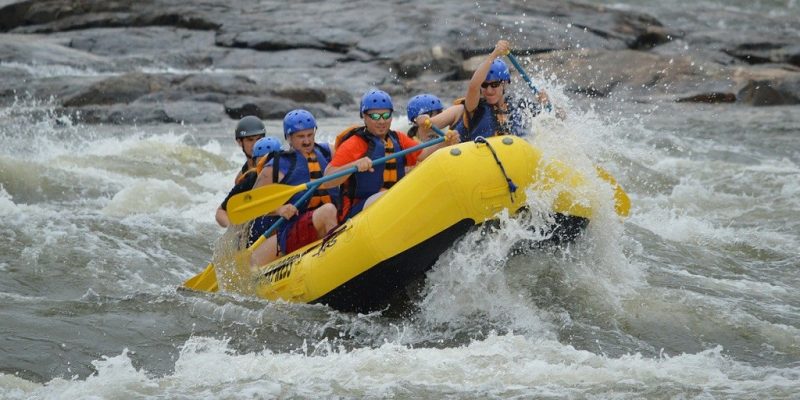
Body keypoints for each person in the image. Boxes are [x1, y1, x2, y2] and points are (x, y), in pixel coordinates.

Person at [324, 89, 458, 221]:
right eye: (375, 116)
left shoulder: (398, 138)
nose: (382, 121)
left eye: (386, 115)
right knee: (389, 196)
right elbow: (328, 180)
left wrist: (445, 143)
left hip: (393, 201)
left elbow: (424, 154)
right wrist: (354, 164)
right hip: (357, 210)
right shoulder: (354, 144)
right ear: (364, 117)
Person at [250, 109, 340, 266]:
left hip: (329, 219)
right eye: (300, 137)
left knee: (332, 210)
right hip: (294, 228)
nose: (307, 141)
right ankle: (336, 260)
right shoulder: (278, 166)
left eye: (310, 135)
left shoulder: (327, 152)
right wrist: (279, 209)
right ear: (289, 138)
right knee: (328, 211)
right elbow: (253, 203)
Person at [417, 40, 553, 142]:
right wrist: (494, 55)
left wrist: (547, 104)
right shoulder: (473, 107)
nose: (489, 90)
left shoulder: (519, 106)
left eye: (494, 84)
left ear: (504, 84)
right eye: (485, 85)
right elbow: (473, 87)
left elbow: (556, 119)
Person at [216, 135, 282, 230]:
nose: (269, 169)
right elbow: (221, 211)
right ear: (256, 164)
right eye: (264, 165)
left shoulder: (292, 173)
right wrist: (232, 229)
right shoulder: (250, 180)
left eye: (272, 163)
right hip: (259, 228)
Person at [232, 115, 267, 183]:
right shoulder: (240, 179)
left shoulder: (275, 164)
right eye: (250, 140)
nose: (256, 144)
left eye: (259, 139)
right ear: (239, 142)